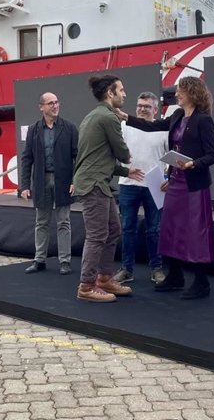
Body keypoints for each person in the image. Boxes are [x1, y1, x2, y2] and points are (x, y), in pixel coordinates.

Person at [119, 76, 214, 300]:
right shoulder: (177, 115)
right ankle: (175, 276)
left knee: (195, 232)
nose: (177, 94)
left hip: (195, 184)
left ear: (192, 92)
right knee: (171, 229)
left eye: (181, 90)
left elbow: (213, 155)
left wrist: (194, 163)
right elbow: (153, 126)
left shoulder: (204, 120)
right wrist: (126, 117)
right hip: (176, 182)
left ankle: (202, 282)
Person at [74, 75, 144, 302]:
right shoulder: (109, 117)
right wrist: (128, 158)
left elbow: (98, 157)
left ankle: (104, 278)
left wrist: (126, 172)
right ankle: (86, 286)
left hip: (97, 183)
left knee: (113, 230)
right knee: (97, 236)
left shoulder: (94, 115)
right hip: (94, 184)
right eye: (121, 90)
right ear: (109, 94)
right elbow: (122, 153)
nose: (125, 94)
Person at [20, 92, 79, 275]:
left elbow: (78, 156)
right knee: (41, 222)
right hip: (41, 180)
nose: (55, 106)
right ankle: (39, 260)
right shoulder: (33, 129)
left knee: (64, 222)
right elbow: (27, 158)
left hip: (63, 180)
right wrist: (24, 185)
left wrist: (75, 180)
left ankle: (65, 261)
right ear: (42, 107)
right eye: (51, 103)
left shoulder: (69, 128)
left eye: (56, 102)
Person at [113, 91, 168, 285]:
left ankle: (157, 268)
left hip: (155, 185)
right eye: (139, 105)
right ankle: (126, 269)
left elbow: (170, 156)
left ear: (155, 109)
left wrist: (168, 177)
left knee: (155, 230)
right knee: (128, 228)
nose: (142, 109)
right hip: (128, 184)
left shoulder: (164, 130)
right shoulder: (124, 126)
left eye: (146, 106)